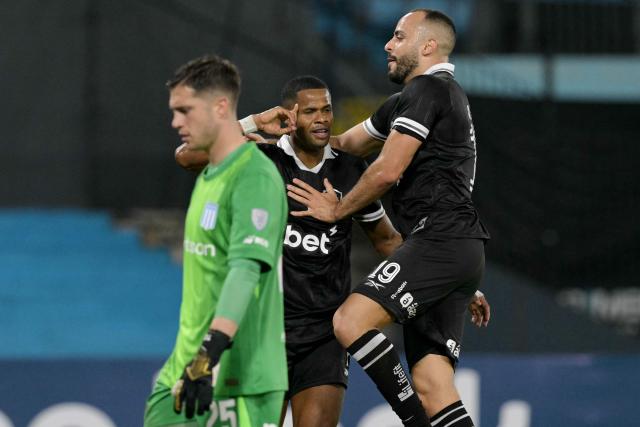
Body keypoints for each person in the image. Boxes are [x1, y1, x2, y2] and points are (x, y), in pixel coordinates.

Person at [175, 74, 491, 427]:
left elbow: (386, 240)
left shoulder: (351, 169)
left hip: (323, 338)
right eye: (311, 111)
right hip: (265, 332)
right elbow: (188, 156)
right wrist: (253, 122)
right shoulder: (260, 161)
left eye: (327, 109)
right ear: (290, 116)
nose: (323, 119)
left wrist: (439, 279)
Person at [286, 9, 490, 427]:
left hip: (440, 241)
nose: (387, 45)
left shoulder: (429, 90)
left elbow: (386, 170)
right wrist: (282, 127)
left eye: (399, 37)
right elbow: (343, 146)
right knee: (432, 382)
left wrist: (337, 209)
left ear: (427, 46)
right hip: (454, 252)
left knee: (349, 320)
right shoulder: (409, 101)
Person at [144, 54, 289, 427]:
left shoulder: (254, 177)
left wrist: (207, 357)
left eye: (184, 110)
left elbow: (244, 272)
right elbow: (189, 155)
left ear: (220, 106)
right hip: (186, 368)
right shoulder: (212, 174)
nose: (175, 121)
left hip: (236, 379)